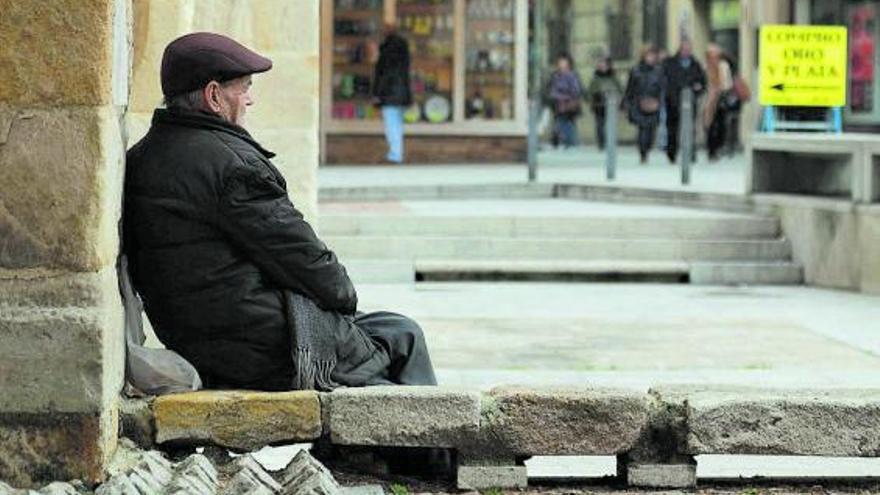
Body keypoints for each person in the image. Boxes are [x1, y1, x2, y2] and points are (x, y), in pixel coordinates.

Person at [123, 32, 436, 391]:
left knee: (388, 332)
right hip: (257, 343)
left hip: (196, 335)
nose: (250, 99)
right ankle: (432, 444)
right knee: (403, 338)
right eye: (244, 88)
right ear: (213, 96)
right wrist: (344, 300)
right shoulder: (233, 166)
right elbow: (309, 264)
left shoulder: (143, 155)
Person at [372, 23, 412, 164]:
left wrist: (377, 93)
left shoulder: (387, 52)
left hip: (389, 93)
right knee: (397, 124)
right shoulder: (403, 49)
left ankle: (395, 155)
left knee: (391, 125)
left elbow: (383, 74)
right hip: (401, 93)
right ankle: (396, 153)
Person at [662, 39, 706, 163]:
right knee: (672, 129)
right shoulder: (670, 63)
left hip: (690, 101)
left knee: (690, 129)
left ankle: (690, 153)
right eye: (685, 49)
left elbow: (702, 81)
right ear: (680, 49)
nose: (687, 51)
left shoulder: (695, 64)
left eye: (689, 49)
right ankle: (672, 154)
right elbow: (664, 79)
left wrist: (698, 89)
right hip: (672, 101)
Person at [623, 45, 665, 164]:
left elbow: (662, 88)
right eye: (648, 55)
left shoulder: (658, 70)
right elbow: (630, 88)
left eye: (652, 55)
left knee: (651, 130)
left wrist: (660, 102)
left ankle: (647, 149)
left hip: (654, 103)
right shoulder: (636, 70)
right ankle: (643, 153)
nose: (651, 58)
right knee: (643, 129)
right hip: (639, 103)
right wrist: (627, 103)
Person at [703, 43, 734, 161]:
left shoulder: (723, 66)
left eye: (716, 54)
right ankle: (711, 151)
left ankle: (718, 146)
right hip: (709, 100)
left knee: (721, 125)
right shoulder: (706, 67)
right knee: (710, 126)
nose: (714, 57)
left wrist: (722, 90)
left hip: (721, 99)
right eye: (711, 54)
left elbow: (728, 83)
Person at [586, 56, 623, 150]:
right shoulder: (595, 78)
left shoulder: (613, 78)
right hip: (598, 105)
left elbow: (620, 90)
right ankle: (601, 143)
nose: (602, 66)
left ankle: (610, 142)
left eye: (604, 64)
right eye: (600, 64)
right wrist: (591, 101)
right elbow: (590, 92)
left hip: (611, 105)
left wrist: (618, 99)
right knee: (599, 125)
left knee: (610, 125)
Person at [547, 53, 584, 148]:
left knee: (567, 124)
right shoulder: (555, 75)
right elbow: (551, 89)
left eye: (564, 63)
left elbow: (576, 90)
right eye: (560, 63)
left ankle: (571, 143)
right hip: (557, 104)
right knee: (559, 123)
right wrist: (555, 97)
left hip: (569, 105)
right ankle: (564, 142)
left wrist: (566, 98)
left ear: (569, 64)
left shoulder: (572, 76)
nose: (561, 65)